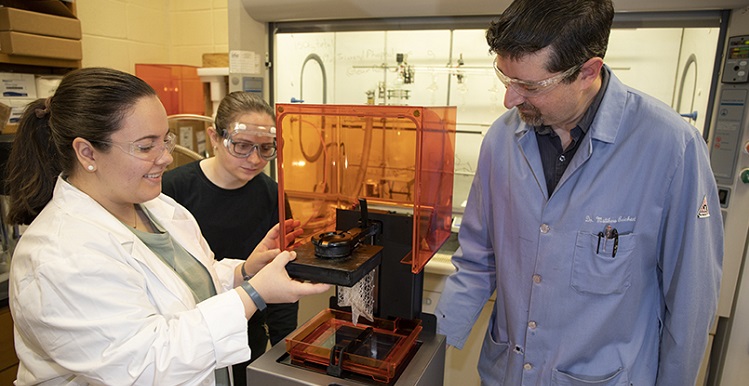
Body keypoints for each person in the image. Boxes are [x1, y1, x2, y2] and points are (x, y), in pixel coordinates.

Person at [434, 0, 723, 384]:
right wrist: (426, 346)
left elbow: (690, 301)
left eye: (529, 85)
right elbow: (476, 261)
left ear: (588, 71)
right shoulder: (501, 141)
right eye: (506, 79)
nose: (510, 99)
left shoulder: (671, 148)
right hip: (506, 375)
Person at [5, 67, 330, 386]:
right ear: (87, 152)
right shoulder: (58, 256)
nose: (165, 158)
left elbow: (188, 286)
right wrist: (254, 294)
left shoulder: (155, 206)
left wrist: (244, 272)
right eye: (146, 146)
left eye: (165, 141)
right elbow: (144, 365)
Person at [161, 91, 296, 385]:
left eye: (266, 148)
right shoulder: (172, 192)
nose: (255, 159)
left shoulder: (271, 194)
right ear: (214, 137)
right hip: (185, 340)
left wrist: (288, 354)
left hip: (248, 335)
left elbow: (281, 276)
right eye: (242, 146)